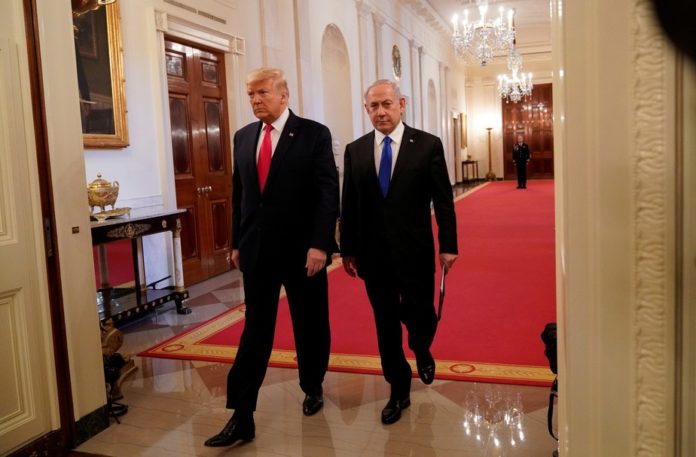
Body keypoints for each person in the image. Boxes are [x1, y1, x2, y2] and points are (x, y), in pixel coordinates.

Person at [205, 67, 339, 447]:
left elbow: (327, 193)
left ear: (284, 95)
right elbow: (241, 195)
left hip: (303, 252)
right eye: (250, 94)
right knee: (255, 330)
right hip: (258, 251)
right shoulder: (244, 137)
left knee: (309, 324)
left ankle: (312, 385)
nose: (255, 100)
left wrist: (320, 244)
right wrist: (236, 243)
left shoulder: (313, 134)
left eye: (262, 92)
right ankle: (241, 415)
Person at [340, 79, 458, 425]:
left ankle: (421, 347)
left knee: (421, 315)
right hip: (373, 255)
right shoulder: (356, 150)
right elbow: (350, 203)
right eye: (374, 106)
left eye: (387, 104)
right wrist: (347, 248)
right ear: (366, 110)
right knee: (386, 322)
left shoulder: (427, 145)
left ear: (401, 104)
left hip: (415, 251)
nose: (381, 112)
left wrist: (448, 245)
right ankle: (398, 388)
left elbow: (443, 200)